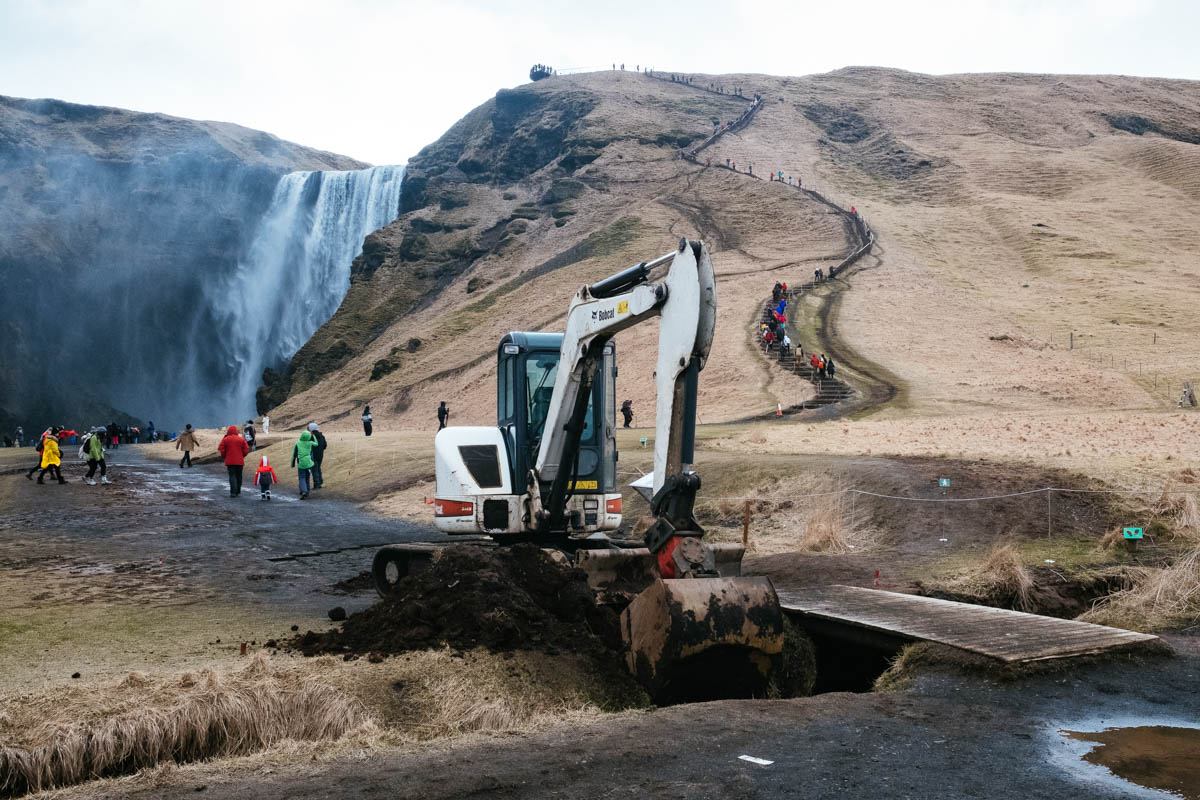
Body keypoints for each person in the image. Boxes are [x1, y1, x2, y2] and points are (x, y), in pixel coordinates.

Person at [218, 425, 249, 497]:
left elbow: (221, 448)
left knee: (232, 476)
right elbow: (246, 450)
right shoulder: (241, 439)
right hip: (240, 461)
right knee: (239, 476)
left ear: (228, 431)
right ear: (236, 431)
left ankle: (233, 492)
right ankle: (238, 491)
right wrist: (242, 456)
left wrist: (225, 456)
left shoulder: (225, 439)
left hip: (230, 461)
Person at [291, 429, 317, 499]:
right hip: (309, 463)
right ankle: (307, 491)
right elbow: (314, 447)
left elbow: (294, 454)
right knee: (307, 477)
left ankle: (303, 491)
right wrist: (313, 435)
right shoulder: (310, 443)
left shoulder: (297, 443)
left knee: (302, 478)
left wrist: (292, 463)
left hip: (301, 464)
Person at [308, 422, 326, 489]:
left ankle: (317, 484)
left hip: (313, 455)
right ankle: (320, 482)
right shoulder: (322, 436)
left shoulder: (310, 436)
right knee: (318, 468)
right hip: (320, 455)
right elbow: (325, 446)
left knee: (314, 470)